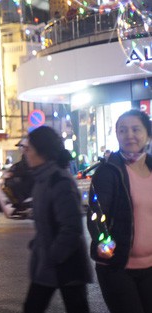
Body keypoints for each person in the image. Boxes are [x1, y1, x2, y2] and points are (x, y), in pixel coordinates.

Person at [87, 109, 152, 313]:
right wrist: (104, 242)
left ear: (148, 135)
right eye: (123, 130)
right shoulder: (108, 171)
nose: (129, 135)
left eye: (135, 129)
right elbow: (96, 212)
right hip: (118, 267)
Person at [22, 126, 91, 313]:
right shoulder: (42, 179)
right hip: (49, 262)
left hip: (66, 265)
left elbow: (71, 228)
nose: (25, 153)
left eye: (28, 148)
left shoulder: (59, 181)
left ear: (40, 151)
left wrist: (51, 256)